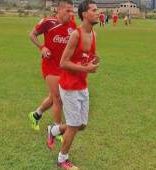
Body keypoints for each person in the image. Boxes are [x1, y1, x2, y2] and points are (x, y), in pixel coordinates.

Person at [56, 0, 99, 169]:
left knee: (82, 125)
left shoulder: (94, 34)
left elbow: (89, 56)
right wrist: (86, 67)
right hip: (68, 86)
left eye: (97, 10)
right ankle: (62, 159)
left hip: (82, 84)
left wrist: (93, 62)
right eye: (94, 10)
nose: (98, 13)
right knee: (74, 126)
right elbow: (63, 62)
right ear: (84, 14)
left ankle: (54, 131)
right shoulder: (76, 35)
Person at [28, 0, 76, 142]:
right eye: (68, 10)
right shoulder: (48, 22)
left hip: (63, 67)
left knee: (52, 97)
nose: (70, 13)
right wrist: (41, 47)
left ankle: (36, 114)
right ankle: (57, 129)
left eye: (72, 11)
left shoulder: (72, 25)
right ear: (59, 10)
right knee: (58, 98)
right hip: (49, 66)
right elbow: (32, 34)